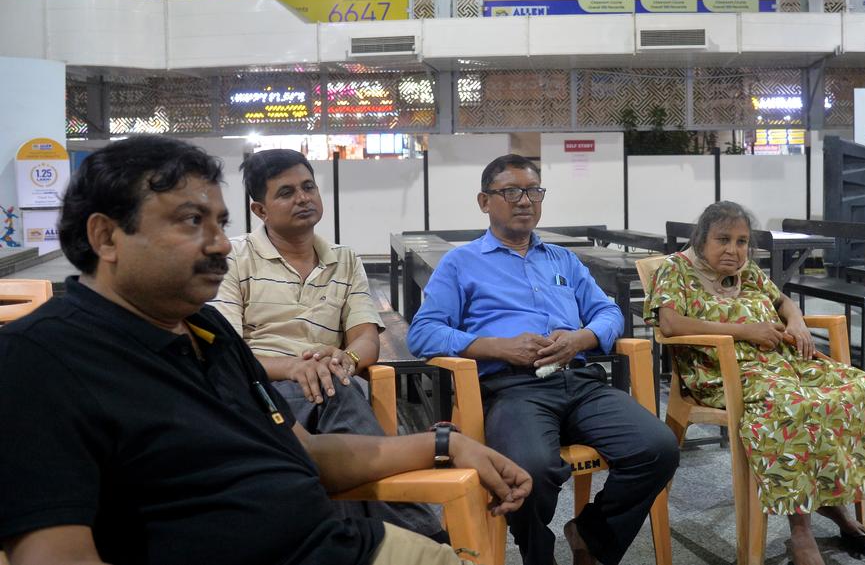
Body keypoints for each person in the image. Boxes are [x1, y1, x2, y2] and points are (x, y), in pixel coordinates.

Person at [0, 135, 531, 565]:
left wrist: (445, 444)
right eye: (191, 221)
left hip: (341, 543)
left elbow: (301, 452)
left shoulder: (207, 332)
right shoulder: (40, 360)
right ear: (106, 237)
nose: (218, 243)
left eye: (220, 224)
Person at [407, 154, 679, 565]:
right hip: (512, 389)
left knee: (658, 447)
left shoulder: (563, 260)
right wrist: (495, 346)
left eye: (534, 191)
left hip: (580, 381)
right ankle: (538, 554)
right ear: (484, 201)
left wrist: (580, 338)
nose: (524, 201)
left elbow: (609, 313)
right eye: (511, 191)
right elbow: (423, 333)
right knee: (531, 469)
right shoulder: (461, 264)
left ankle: (590, 536)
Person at [645, 202, 865, 565]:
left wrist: (796, 319)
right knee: (793, 406)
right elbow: (671, 325)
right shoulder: (676, 270)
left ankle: (834, 504)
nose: (733, 250)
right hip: (722, 374)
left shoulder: (746, 271)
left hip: (780, 364)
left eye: (741, 242)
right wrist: (746, 331)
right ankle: (801, 531)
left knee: (864, 389)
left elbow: (781, 301)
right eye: (723, 240)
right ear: (701, 239)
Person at [211, 149, 443, 541]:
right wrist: (294, 367)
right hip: (264, 393)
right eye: (286, 192)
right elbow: (227, 349)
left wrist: (346, 357)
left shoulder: (344, 259)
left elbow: (366, 337)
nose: (303, 198)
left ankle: (354, 539)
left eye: (308, 187)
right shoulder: (235, 258)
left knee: (340, 388)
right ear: (259, 209)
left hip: (331, 387)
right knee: (342, 394)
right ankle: (423, 534)